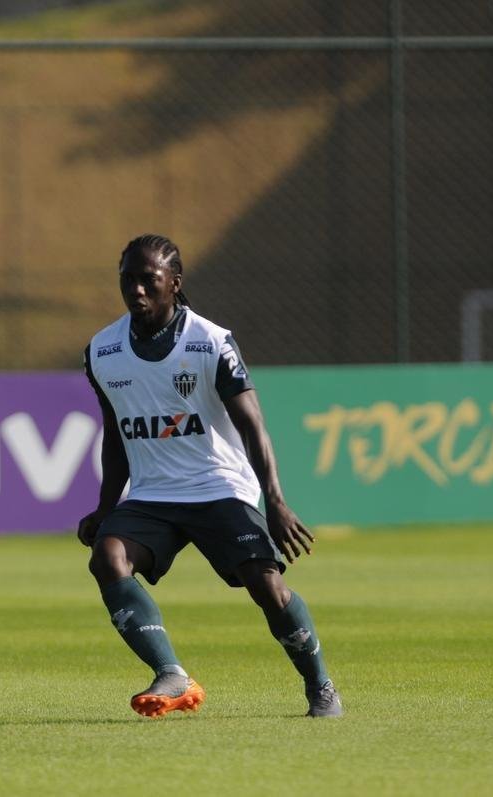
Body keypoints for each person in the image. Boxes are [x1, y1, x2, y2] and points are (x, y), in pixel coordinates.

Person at [77, 234, 342, 719]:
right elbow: (115, 434)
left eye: (148, 280)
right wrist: (105, 507)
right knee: (108, 557)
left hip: (219, 486)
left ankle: (320, 685)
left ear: (175, 283)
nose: (136, 289)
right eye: (128, 280)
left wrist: (274, 501)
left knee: (266, 585)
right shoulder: (103, 351)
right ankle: (171, 673)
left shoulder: (211, 342)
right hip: (154, 495)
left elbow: (252, 425)